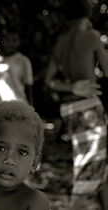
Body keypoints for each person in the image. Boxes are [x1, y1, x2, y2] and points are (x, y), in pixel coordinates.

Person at [45, 0, 108, 209]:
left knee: (98, 163)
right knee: (90, 164)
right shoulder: (91, 36)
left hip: (70, 110)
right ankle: (76, 205)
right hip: (88, 107)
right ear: (88, 13)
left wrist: (71, 87)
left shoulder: (61, 42)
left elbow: (49, 81)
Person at [0, 30, 34, 105]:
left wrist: (31, 108)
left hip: (17, 105)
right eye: (7, 40)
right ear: (2, 40)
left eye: (14, 40)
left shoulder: (23, 61)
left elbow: (28, 86)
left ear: (19, 42)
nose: (10, 43)